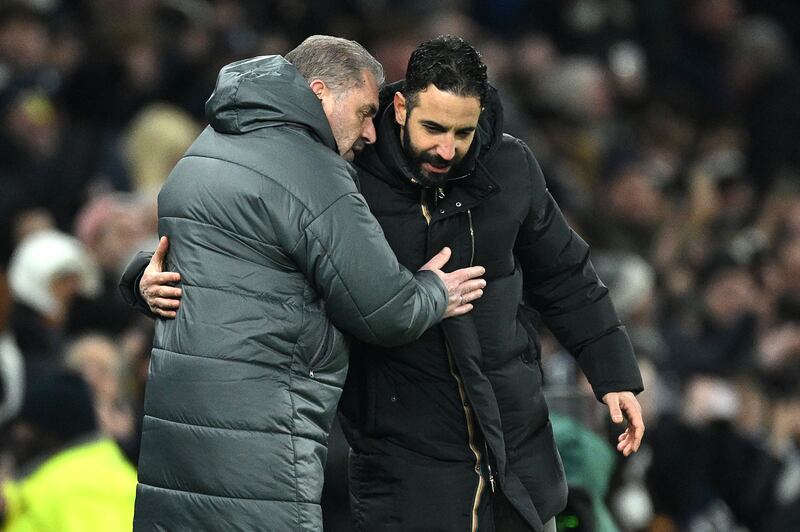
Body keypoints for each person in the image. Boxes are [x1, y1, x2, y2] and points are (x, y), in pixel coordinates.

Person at [125, 36, 644, 531]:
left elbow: (565, 274)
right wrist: (144, 276)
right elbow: (252, 249)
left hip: (518, 453)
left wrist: (612, 370)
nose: (447, 149)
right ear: (400, 109)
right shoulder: (345, 168)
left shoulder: (511, 167)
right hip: (403, 462)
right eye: (434, 129)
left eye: (463, 133)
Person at [119, 36, 486, 531]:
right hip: (260, 448)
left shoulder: (207, 148)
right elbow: (383, 310)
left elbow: (206, 257)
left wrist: (135, 278)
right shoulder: (313, 170)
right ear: (319, 94)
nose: (371, 134)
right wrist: (435, 290)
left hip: (176, 449)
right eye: (363, 112)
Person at [0, 370, 137, 532]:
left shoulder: (58, 488)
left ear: (47, 430)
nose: (19, 435)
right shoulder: (124, 476)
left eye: (25, 427)